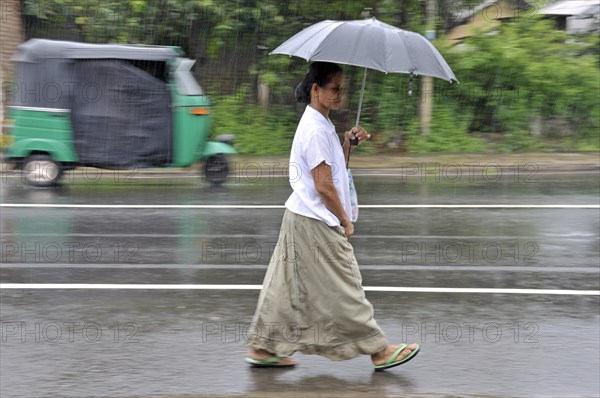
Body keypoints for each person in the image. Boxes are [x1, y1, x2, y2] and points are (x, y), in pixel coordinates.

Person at [244, 62, 420, 371]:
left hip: (299, 216)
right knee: (345, 283)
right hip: (315, 220)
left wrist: (347, 145)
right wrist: (345, 219)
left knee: (283, 287)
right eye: (334, 89)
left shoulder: (321, 122)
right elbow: (324, 185)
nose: (340, 94)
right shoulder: (314, 129)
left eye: (342, 88)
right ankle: (378, 349)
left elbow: (333, 169)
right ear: (316, 90)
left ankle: (262, 348)